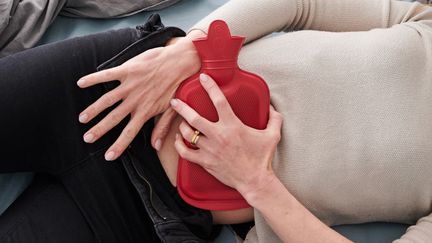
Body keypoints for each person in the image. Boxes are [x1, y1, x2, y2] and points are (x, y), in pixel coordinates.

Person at [0, 0, 431, 242]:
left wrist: (254, 181)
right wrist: (189, 50)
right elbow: (301, 3)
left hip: (148, 214)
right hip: (117, 80)